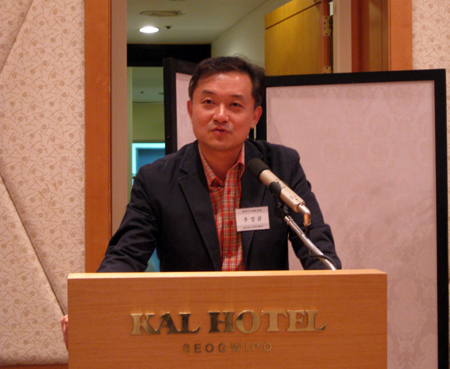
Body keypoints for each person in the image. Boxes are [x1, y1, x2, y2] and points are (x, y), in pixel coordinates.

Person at [61, 56, 340, 346]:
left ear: (255, 116)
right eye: (208, 102)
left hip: (266, 329)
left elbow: (315, 242)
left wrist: (336, 295)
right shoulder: (156, 179)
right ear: (190, 109)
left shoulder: (281, 166)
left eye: (235, 105)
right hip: (188, 334)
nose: (220, 116)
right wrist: (91, 307)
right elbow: (127, 255)